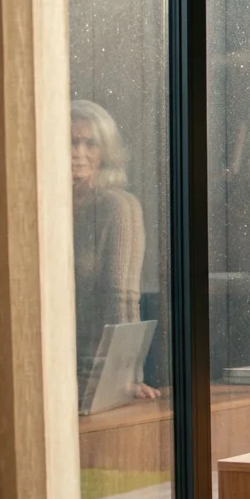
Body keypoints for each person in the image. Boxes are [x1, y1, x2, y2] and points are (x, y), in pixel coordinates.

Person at [71, 99, 158, 403]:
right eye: (70, 142)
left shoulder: (117, 207)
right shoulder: (47, 206)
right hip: (50, 369)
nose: (78, 153)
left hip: (95, 377)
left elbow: (122, 299)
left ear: (104, 152)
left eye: (89, 144)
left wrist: (126, 378)